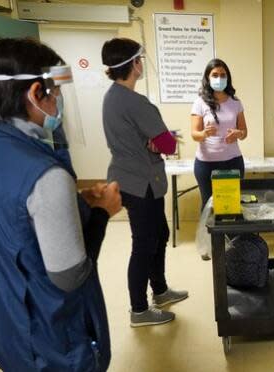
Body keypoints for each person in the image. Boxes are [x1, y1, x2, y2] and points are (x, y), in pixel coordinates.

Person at [0, 37, 122, 371]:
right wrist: (101, 213)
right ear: (36, 93)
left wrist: (72, 205)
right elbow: (70, 276)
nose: (60, 100)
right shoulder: (45, 175)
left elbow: (12, 225)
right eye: (56, 91)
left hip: (7, 328)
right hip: (53, 344)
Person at [101, 38, 188, 327]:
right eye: (141, 59)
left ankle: (160, 291)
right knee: (144, 244)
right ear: (134, 65)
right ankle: (139, 310)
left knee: (159, 234)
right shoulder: (136, 102)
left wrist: (156, 140)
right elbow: (166, 144)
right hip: (141, 183)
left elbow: (150, 139)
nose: (143, 64)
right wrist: (163, 139)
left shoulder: (111, 96)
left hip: (127, 177)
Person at [191, 58, 247, 213]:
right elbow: (194, 134)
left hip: (233, 162)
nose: (219, 78)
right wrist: (204, 133)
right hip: (206, 164)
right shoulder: (200, 103)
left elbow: (244, 132)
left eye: (223, 75)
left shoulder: (236, 102)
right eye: (215, 75)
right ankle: (208, 238)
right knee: (209, 206)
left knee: (231, 206)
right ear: (207, 78)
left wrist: (238, 133)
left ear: (227, 78)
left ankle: (232, 238)